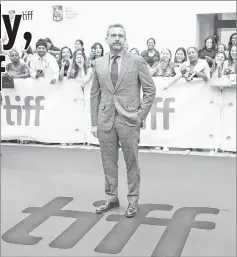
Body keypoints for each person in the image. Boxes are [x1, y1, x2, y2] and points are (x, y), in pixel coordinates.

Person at [90, 24, 156, 218]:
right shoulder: (99, 63)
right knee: (108, 162)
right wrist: (94, 122)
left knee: (131, 162)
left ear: (125, 39)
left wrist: (140, 115)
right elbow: (94, 93)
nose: (117, 38)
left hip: (129, 120)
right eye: (113, 35)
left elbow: (150, 90)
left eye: (120, 35)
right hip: (105, 120)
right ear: (107, 39)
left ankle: (133, 201)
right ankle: (111, 198)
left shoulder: (137, 61)